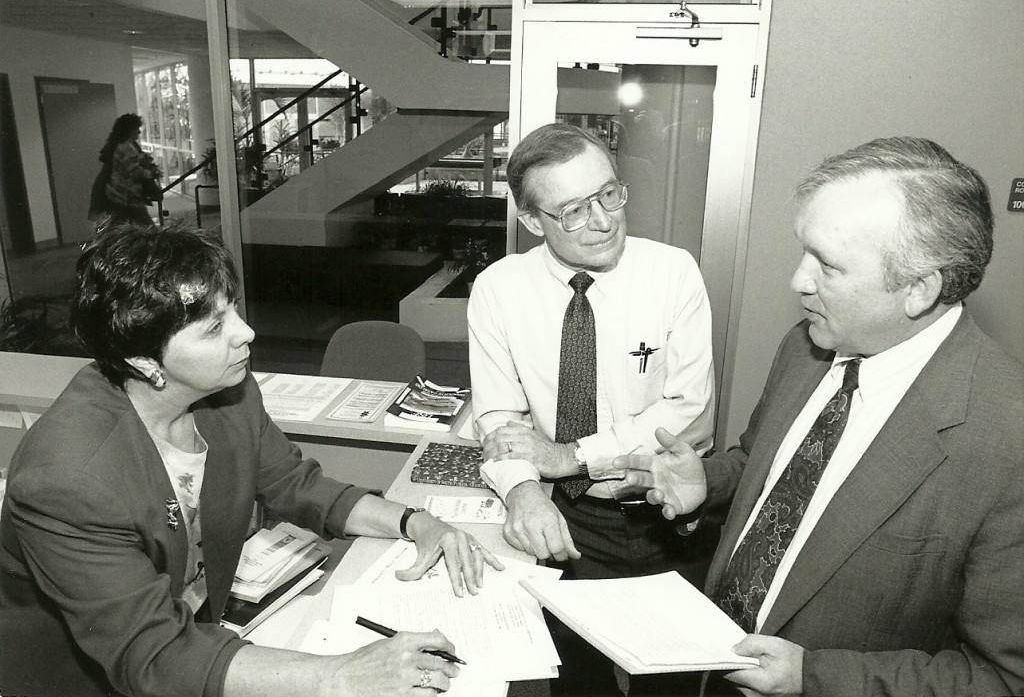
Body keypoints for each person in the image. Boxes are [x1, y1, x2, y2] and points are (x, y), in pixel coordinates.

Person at [0, 223, 503, 697]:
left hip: (194, 637)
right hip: (87, 678)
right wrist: (341, 674)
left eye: (233, 309)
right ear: (143, 359)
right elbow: (149, 653)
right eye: (213, 327)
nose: (246, 333)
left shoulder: (230, 395)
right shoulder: (65, 479)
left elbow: (296, 485)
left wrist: (417, 522)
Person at [615, 136, 1024, 696]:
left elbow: (1004, 678)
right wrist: (707, 484)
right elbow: (772, 476)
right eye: (803, 251)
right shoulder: (806, 347)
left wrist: (815, 678)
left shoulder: (1008, 437)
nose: (797, 281)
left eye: (827, 266)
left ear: (919, 290)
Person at [468, 122, 718, 696]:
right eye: (574, 211)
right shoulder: (499, 289)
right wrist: (524, 491)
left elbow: (690, 411)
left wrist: (572, 456)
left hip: (662, 513)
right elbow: (500, 422)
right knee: (576, 680)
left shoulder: (672, 273)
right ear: (533, 222)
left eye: (609, 194)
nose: (603, 220)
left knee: (671, 680)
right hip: (569, 522)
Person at [93, 112, 162, 227]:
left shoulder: (123, 146)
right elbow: (134, 171)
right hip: (126, 196)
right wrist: (151, 173)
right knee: (147, 227)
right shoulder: (126, 147)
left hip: (117, 195)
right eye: (136, 128)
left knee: (120, 227)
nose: (139, 132)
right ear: (129, 130)